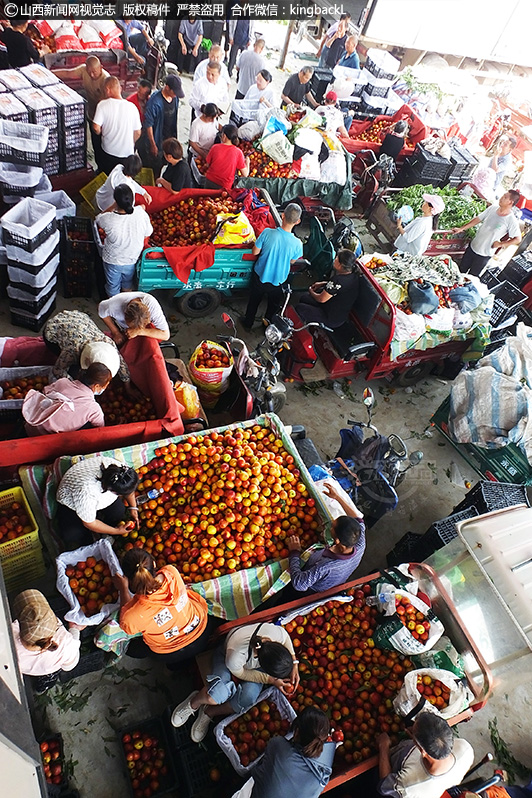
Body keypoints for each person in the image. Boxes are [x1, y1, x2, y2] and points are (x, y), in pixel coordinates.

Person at [171, 620, 299, 743]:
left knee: (247, 699)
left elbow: (286, 637)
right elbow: (242, 673)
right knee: (217, 695)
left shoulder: (274, 637)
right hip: (227, 658)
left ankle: (208, 712)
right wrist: (270, 679)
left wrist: (294, 663)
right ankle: (194, 702)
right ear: (264, 667)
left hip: (251, 664)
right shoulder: (236, 655)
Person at [114, 549, 213, 666]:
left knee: (131, 649)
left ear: (127, 579)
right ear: (154, 564)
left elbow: (127, 628)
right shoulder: (171, 571)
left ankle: (176, 663)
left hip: (169, 653)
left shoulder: (132, 615)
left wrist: (123, 589)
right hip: (202, 631)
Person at [287, 481, 365, 593]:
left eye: (332, 527)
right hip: (335, 579)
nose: (331, 523)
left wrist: (294, 553)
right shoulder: (359, 541)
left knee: (289, 595)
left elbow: (299, 584)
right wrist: (337, 497)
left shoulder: (325, 566)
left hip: (313, 590)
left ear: (337, 540)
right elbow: (359, 520)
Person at [377, 711, 474, 798]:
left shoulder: (410, 785)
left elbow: (384, 786)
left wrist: (384, 747)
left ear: (421, 750)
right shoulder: (465, 749)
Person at [241, 203, 303, 331]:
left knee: (254, 301)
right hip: (279, 280)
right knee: (273, 306)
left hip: (260, 276)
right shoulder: (298, 244)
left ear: (282, 215)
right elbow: (292, 262)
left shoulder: (267, 233)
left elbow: (255, 252)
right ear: (298, 221)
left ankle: (248, 323)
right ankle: (267, 327)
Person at [56, 457, 139, 550]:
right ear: (114, 491)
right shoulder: (87, 492)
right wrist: (116, 531)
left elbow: (130, 489)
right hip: (72, 503)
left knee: (119, 511)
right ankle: (98, 534)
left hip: (93, 494)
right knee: (76, 536)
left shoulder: (121, 472)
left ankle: (107, 529)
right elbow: (89, 523)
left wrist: (133, 508)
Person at [11, 590, 82, 694]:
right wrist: (75, 629)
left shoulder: (10, 634)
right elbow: (69, 666)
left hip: (23, 668)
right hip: (48, 669)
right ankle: (41, 688)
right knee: (48, 678)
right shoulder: (66, 643)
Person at [43, 310, 130, 386]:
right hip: (55, 326)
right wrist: (77, 387)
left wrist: (128, 387)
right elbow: (58, 370)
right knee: (74, 371)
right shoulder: (72, 350)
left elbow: (122, 364)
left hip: (80, 319)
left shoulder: (108, 344)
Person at [22, 362, 111, 436]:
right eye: (105, 386)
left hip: (30, 424)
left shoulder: (62, 382)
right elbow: (99, 431)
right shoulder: (94, 409)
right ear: (97, 386)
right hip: (45, 440)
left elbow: (45, 392)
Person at [54, 55, 110, 171]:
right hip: (91, 115)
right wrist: (48, 72)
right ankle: (99, 167)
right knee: (96, 145)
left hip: (103, 120)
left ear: (101, 67)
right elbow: (68, 73)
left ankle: (105, 168)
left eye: (94, 72)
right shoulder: (84, 70)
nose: (92, 75)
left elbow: (107, 104)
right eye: (89, 72)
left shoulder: (106, 80)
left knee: (104, 146)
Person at [96, 184, 153, 297]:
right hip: (131, 258)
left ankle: (114, 305)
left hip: (113, 260)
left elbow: (98, 218)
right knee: (127, 283)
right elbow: (148, 232)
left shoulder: (108, 219)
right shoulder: (141, 214)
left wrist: (113, 206)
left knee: (113, 286)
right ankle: (127, 301)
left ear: (116, 201)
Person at [453, 189, 521, 276]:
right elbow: (478, 219)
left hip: (484, 255)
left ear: (510, 202)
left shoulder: (511, 220)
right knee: (460, 271)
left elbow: (518, 239)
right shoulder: (493, 208)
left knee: (471, 277)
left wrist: (501, 244)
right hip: (473, 247)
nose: (501, 198)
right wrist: (461, 228)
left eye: (505, 197)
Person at [296, 249, 361, 329]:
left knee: (300, 308)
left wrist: (311, 291)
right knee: (304, 298)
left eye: (336, 259)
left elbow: (321, 299)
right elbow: (338, 287)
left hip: (330, 317)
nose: (334, 260)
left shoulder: (338, 280)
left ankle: (298, 330)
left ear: (341, 265)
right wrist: (322, 283)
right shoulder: (353, 275)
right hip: (331, 306)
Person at [93, 76, 142, 174]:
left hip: (108, 152)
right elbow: (137, 132)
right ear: (120, 89)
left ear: (107, 90)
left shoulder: (102, 105)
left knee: (108, 177)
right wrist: (130, 142)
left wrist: (100, 132)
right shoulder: (132, 107)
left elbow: (95, 127)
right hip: (127, 154)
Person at [142, 75, 185, 174]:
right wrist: (153, 144)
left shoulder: (175, 99)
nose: (175, 95)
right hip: (157, 140)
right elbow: (148, 124)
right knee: (155, 166)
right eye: (174, 92)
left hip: (169, 137)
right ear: (167, 88)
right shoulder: (154, 102)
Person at [98, 291, 170, 345]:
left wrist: (139, 331)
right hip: (124, 327)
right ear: (124, 316)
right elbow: (101, 311)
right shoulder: (113, 306)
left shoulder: (152, 306)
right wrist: (115, 332)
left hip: (145, 329)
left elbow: (165, 335)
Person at [204, 124, 249, 190]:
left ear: (224, 136)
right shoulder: (238, 152)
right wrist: (247, 162)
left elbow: (207, 165)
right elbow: (245, 174)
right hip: (225, 187)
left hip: (210, 182)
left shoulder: (215, 147)